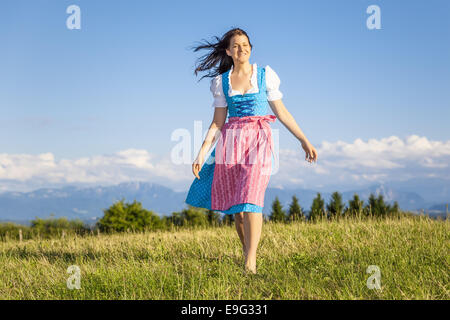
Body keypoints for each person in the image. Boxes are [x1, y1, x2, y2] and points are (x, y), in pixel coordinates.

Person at [185, 28, 318, 274]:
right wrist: (202, 152)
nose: (242, 48)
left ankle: (250, 263)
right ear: (228, 51)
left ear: (251, 48)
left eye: (245, 44)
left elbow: (282, 113)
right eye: (236, 45)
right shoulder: (221, 82)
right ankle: (248, 252)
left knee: (251, 199)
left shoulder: (266, 75)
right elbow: (217, 122)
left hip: (259, 141)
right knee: (239, 211)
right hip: (230, 144)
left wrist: (303, 139)